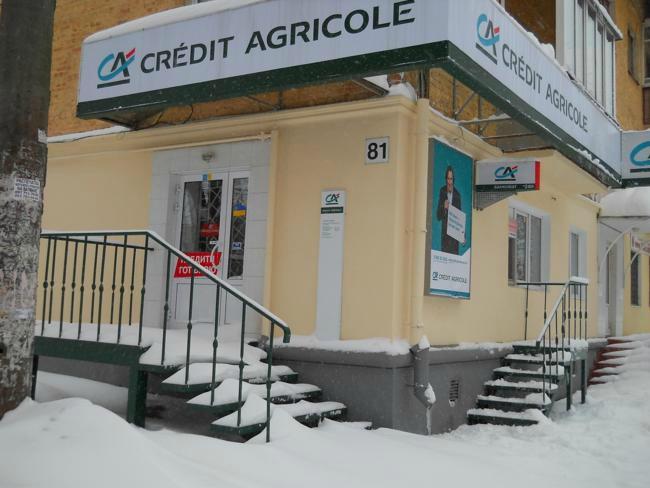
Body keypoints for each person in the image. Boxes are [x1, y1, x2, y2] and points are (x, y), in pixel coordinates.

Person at [436, 165, 462, 255]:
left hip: (454, 237)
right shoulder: (442, 191)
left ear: (453, 180)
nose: (449, 182)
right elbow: (438, 216)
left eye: (451, 179)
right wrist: (444, 207)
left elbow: (460, 218)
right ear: (445, 179)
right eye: (447, 179)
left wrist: (462, 236)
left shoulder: (457, 195)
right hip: (445, 236)